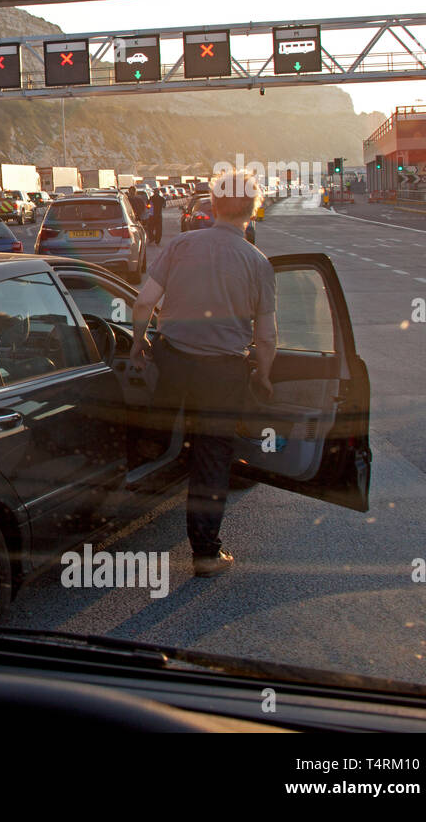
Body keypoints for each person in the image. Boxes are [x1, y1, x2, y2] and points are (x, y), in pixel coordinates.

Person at [128, 169, 276, 577]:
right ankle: (206, 554)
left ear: (212, 204)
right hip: (223, 373)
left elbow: (143, 304)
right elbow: (266, 336)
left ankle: (132, 490)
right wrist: (262, 376)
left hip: (173, 360)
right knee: (212, 456)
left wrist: (138, 342)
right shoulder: (256, 262)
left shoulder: (181, 245)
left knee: (158, 431)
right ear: (252, 208)